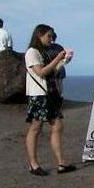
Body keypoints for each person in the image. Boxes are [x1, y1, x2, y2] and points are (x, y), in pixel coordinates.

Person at [24, 24, 76, 176]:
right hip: (38, 94)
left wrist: (64, 62)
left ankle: (61, 163)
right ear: (39, 35)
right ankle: (33, 164)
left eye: (53, 37)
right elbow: (41, 72)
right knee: (36, 127)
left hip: (50, 93)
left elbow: (52, 71)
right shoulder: (32, 52)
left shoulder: (44, 52)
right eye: (49, 36)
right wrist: (58, 58)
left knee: (57, 125)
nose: (51, 40)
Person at [45, 31, 68, 97]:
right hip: (60, 67)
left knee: (55, 83)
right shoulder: (59, 47)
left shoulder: (47, 48)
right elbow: (65, 58)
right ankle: (59, 97)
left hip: (52, 67)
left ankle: (57, 97)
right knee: (59, 83)